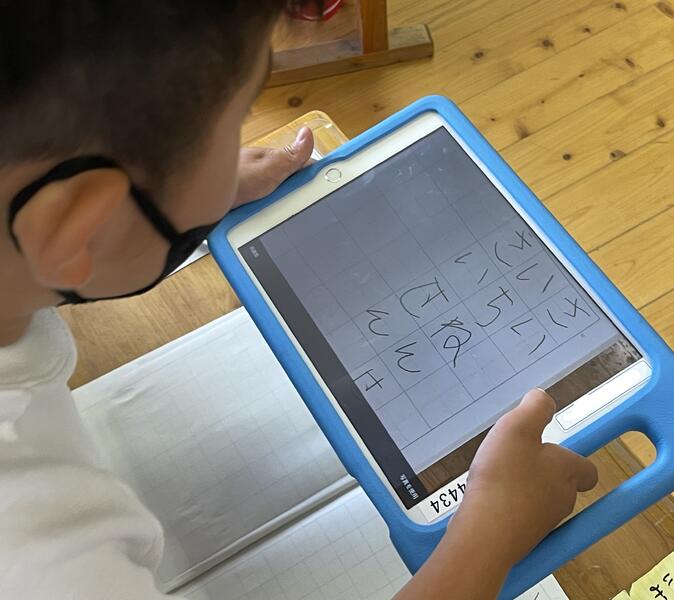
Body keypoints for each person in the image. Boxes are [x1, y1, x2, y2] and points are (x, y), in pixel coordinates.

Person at [0, 2, 598, 598]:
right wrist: (489, 535)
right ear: (77, 228)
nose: (235, 148)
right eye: (229, 129)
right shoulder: (41, 557)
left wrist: (185, 188)